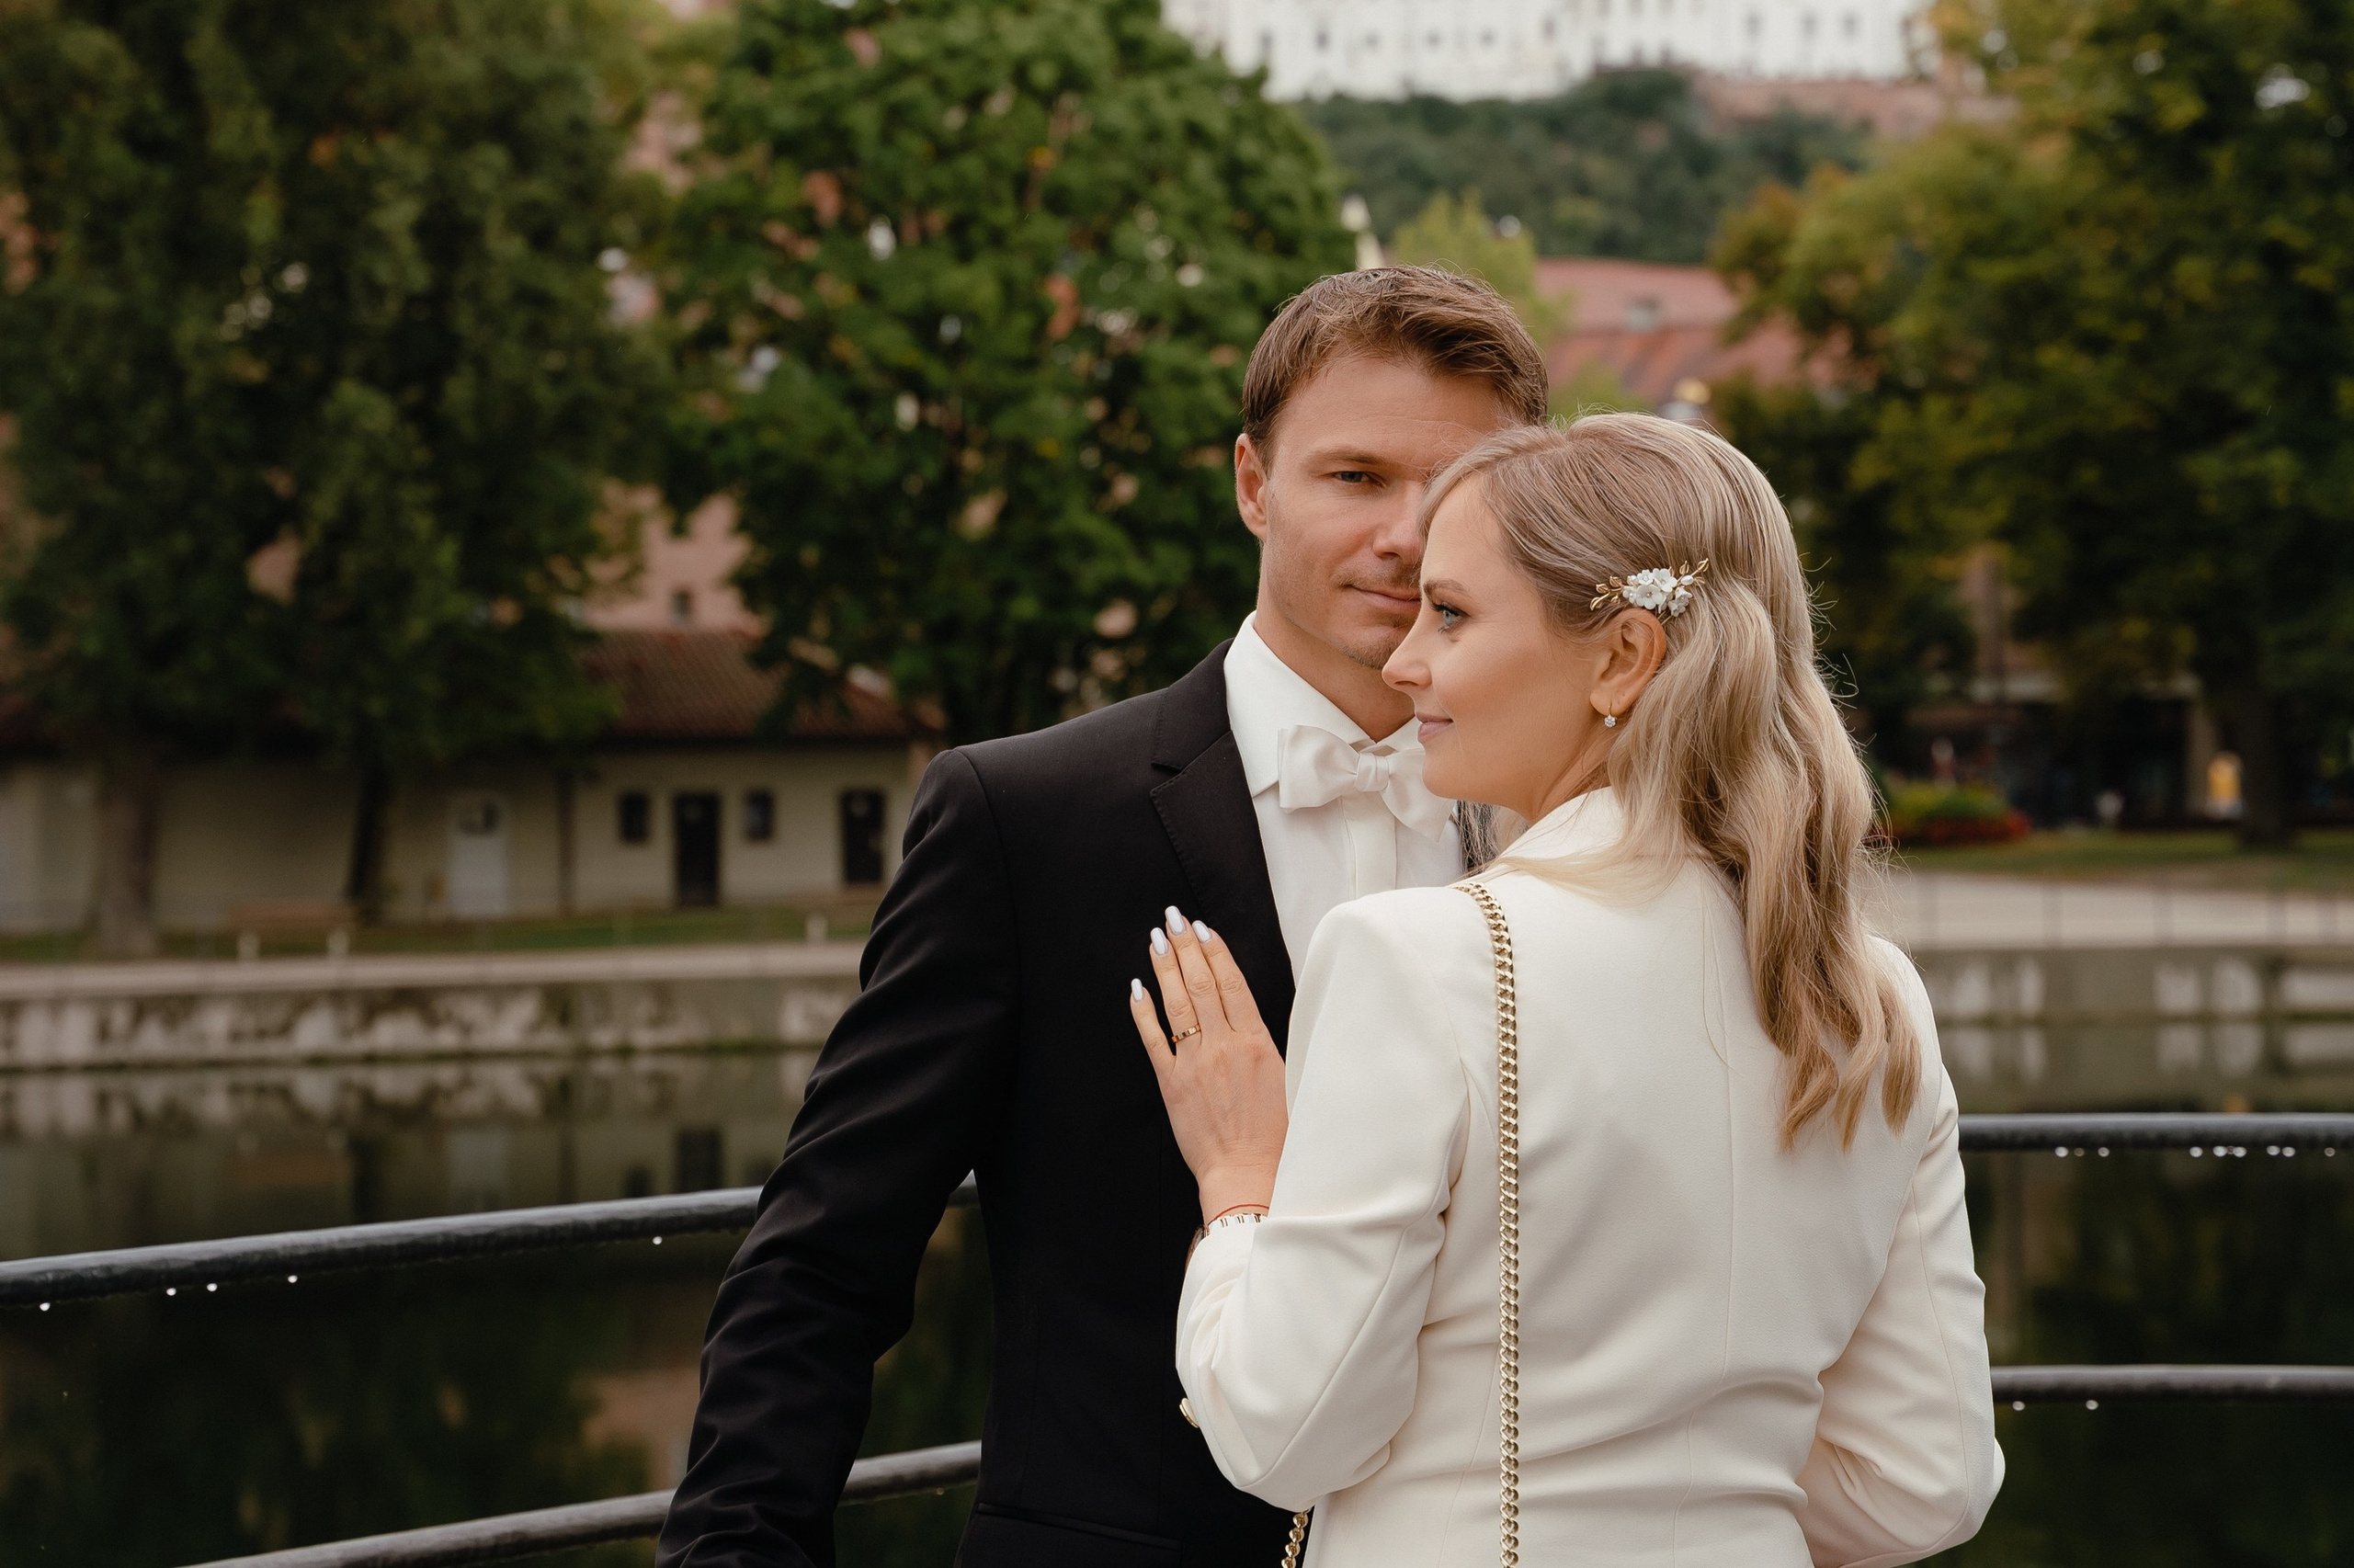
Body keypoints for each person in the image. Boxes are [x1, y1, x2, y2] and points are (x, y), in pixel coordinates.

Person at [655, 267, 1551, 1568]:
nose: (1407, 537)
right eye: (1353, 477)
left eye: (1452, 487)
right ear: (1253, 483)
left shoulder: (1580, 821)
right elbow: (823, 1265)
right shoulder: (1025, 817)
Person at [1132, 415, 2003, 1566]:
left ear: (1621, 657)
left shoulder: (1417, 957)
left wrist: (1239, 1189)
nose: (1404, 661)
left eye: (1450, 612)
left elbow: (1282, 1429)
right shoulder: (1865, 989)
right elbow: (1923, 1483)